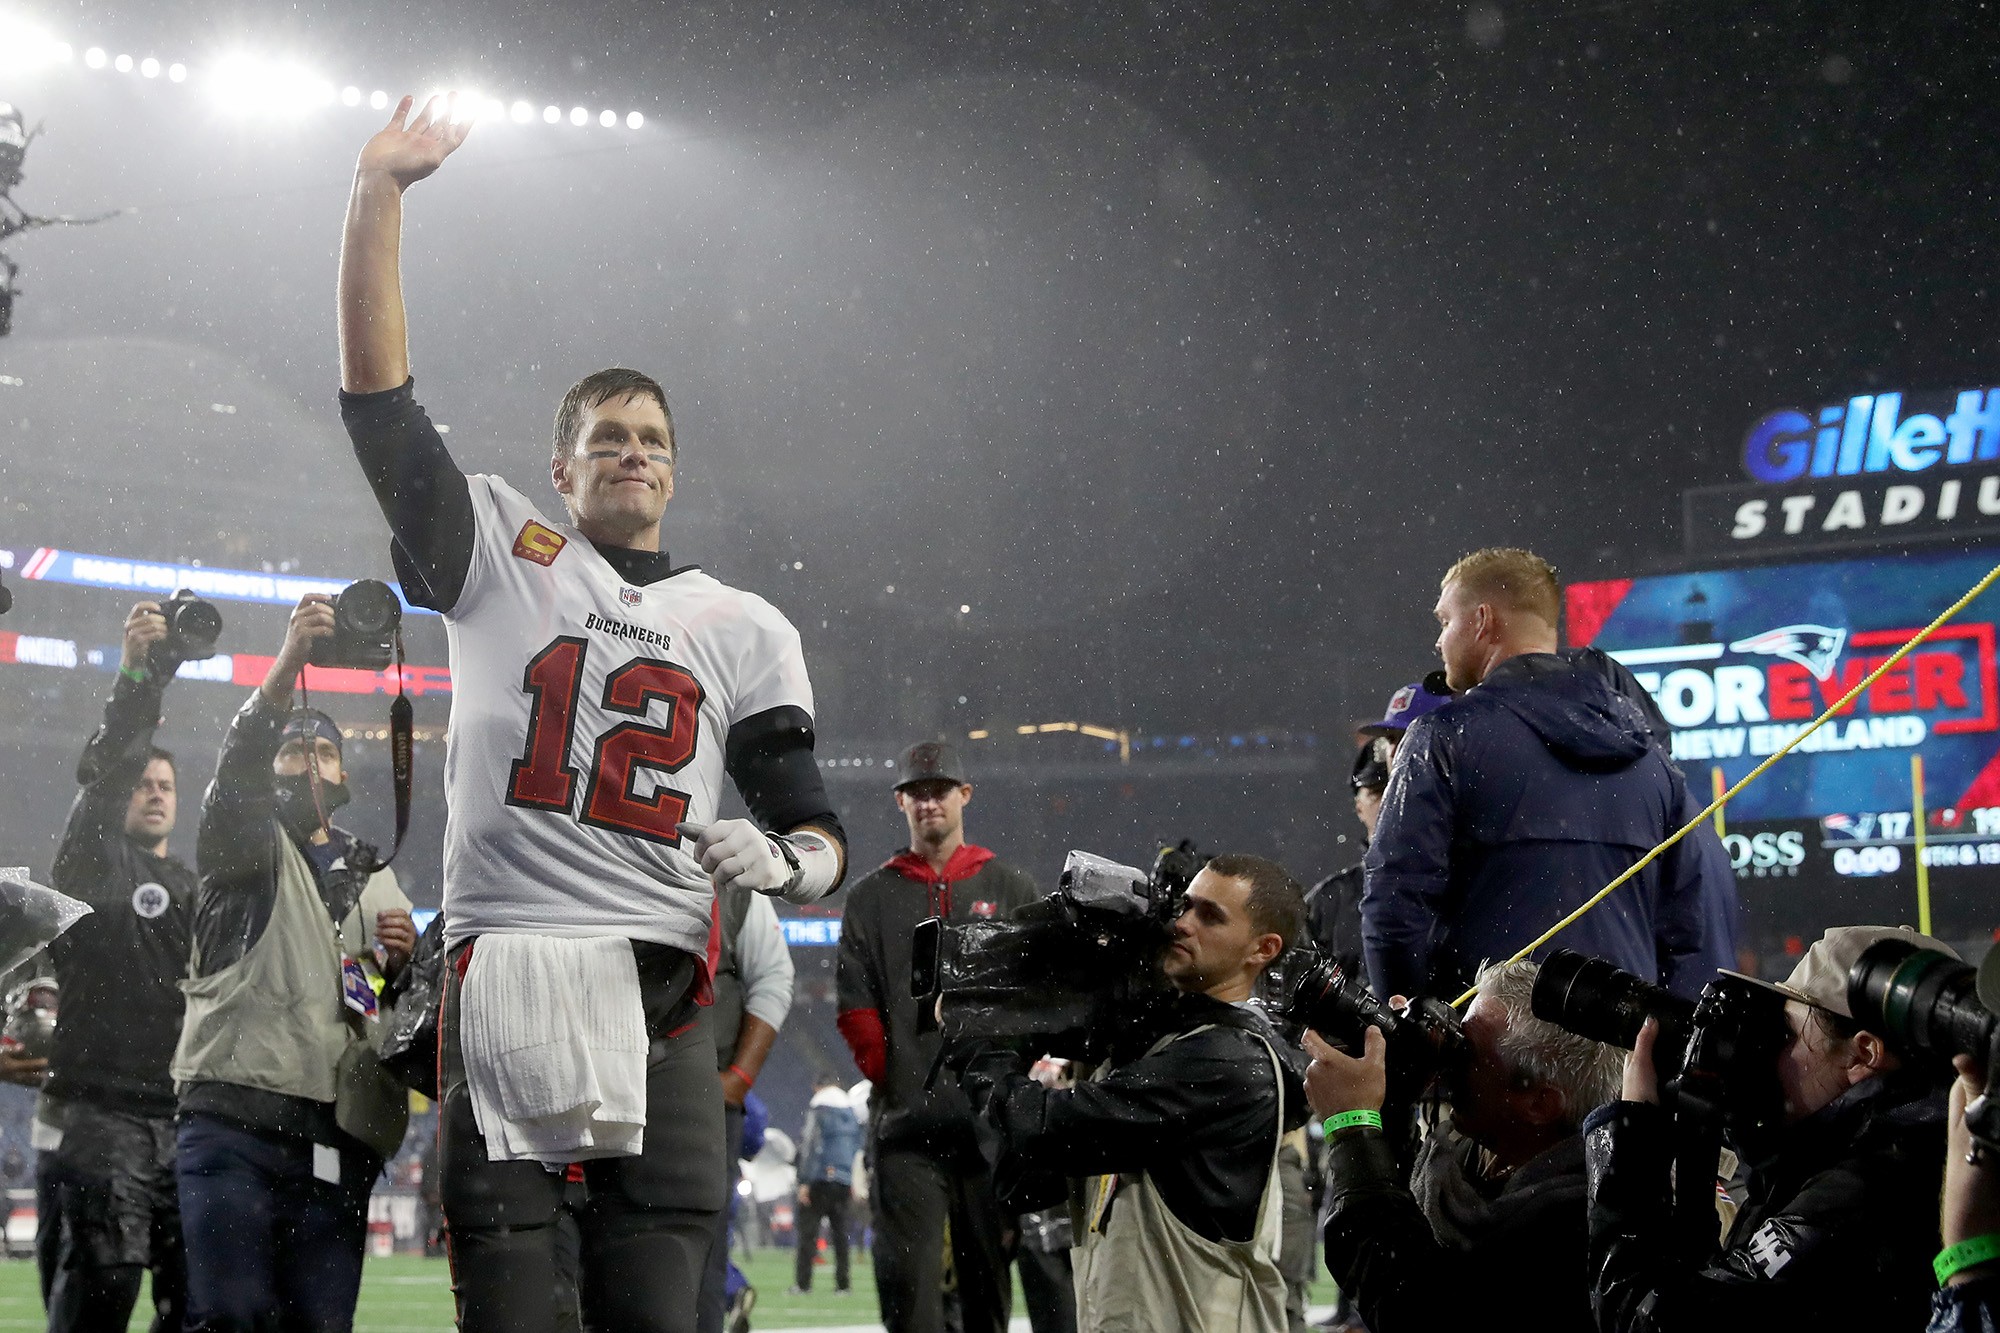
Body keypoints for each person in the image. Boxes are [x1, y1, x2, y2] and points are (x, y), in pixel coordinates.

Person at [336, 95, 847, 1333]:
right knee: (506, 1306)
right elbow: (380, 407)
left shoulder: (742, 621)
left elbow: (822, 839)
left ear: (675, 466)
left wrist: (780, 859)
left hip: (662, 988)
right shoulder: (503, 554)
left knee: (659, 1304)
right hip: (505, 962)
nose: (633, 452)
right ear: (559, 470)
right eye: (606, 436)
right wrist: (378, 195)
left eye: (653, 438)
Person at [172, 594, 416, 1332]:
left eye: (322, 750)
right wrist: (287, 668)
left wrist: (384, 967)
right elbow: (237, 772)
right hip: (233, 1119)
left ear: (343, 771)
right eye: (292, 748)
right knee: (232, 1315)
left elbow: (351, 1004)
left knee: (319, 1323)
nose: (306, 760)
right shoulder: (241, 843)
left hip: (329, 1129)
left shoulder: (374, 874)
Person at [950, 854, 1309, 1333]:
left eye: (1210, 916)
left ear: (1262, 949)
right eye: (1184, 906)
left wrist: (974, 1039)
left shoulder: (1227, 1059)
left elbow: (1038, 1128)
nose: (1181, 924)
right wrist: (1043, 1024)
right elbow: (1022, 1182)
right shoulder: (1155, 1045)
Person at [1363, 547, 1736, 1003]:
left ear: (1482, 621)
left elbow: (1395, 904)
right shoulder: (1652, 761)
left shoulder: (1444, 737)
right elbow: (1690, 925)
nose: (1439, 642)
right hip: (1616, 1056)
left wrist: (1406, 1036)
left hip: (1490, 1050)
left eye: (1445, 621)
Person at [1587, 924, 1952, 1331]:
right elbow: (1709, 1286)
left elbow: (1650, 1322)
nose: (1770, 1051)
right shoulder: (1925, 1141)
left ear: (1862, 1054)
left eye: (1789, 1031)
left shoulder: (1863, 1191)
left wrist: (1628, 1139)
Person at [834, 740, 1039, 1333]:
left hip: (987, 1125)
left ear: (964, 795)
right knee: (909, 1296)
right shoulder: (872, 896)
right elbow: (855, 1002)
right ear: (901, 801)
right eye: (917, 793)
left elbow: (1035, 996)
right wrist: (893, 1078)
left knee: (987, 1293)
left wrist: (1009, 1074)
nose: (929, 803)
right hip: (907, 1125)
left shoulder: (1010, 886)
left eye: (939, 790)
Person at [1302, 957, 1621, 1333]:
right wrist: (1392, 1096)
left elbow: (1418, 1308)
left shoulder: (1581, 1221)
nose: (1447, 1059)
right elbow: (1403, 1227)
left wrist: (1352, 1124)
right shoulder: (1474, 1155)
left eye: (1466, 1051)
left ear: (1538, 1103)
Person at [39, 601, 199, 1333]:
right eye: (144, 783)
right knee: (102, 1290)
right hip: (102, 1110)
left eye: (167, 784)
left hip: (188, 1118)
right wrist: (141, 678)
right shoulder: (90, 865)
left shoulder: (199, 888)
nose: (155, 791)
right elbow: (105, 781)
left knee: (194, 1305)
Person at [696, 883, 796, 1333]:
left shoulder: (733, 891)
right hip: (623, 1098)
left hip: (705, 1107)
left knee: (704, 1257)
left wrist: (737, 1081)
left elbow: (773, 976)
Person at [793, 1073, 862, 1294]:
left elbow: (811, 1144)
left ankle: (803, 1284)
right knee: (841, 1235)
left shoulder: (819, 1106)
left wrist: (804, 1180)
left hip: (819, 1178)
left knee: (808, 1234)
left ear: (817, 1087)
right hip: (844, 1179)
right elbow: (856, 1145)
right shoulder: (850, 1109)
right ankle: (844, 1284)